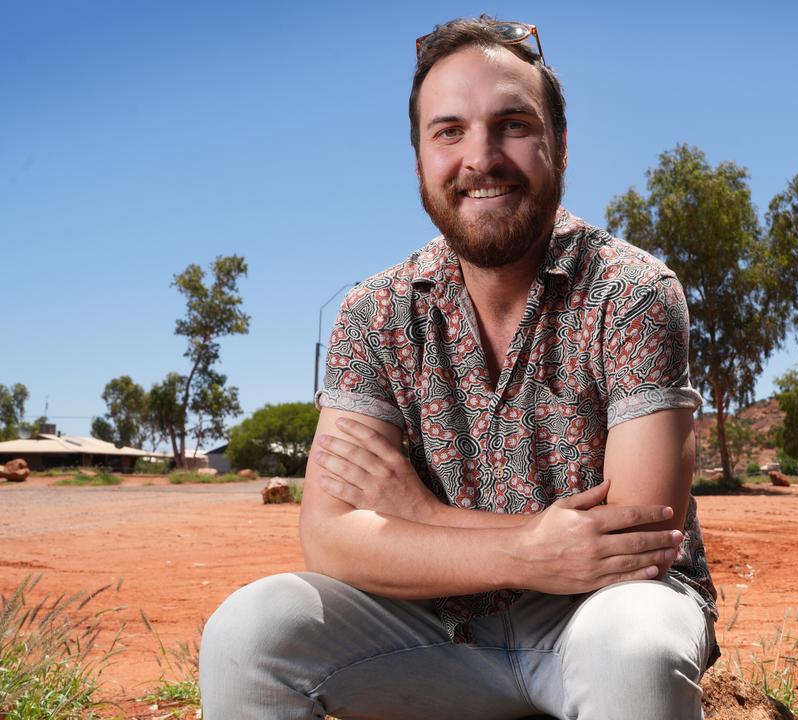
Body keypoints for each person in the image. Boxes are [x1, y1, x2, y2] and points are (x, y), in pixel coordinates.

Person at [199, 16, 718, 719]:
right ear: (419, 158)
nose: (481, 157)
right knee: (249, 632)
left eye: (511, 125)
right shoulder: (374, 314)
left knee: (636, 649)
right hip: (433, 632)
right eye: (449, 131)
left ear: (559, 145)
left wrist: (421, 518)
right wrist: (530, 551)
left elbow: (632, 539)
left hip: (596, 621)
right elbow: (329, 537)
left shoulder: (631, 293)